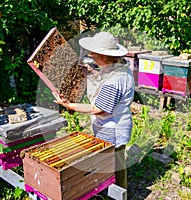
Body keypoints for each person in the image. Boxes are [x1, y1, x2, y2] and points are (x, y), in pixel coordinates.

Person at [53, 31, 134, 189]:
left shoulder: (116, 80)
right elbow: (105, 78)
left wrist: (70, 106)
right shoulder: (118, 69)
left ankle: (119, 192)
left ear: (104, 57)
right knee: (112, 162)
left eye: (94, 54)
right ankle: (111, 189)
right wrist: (91, 72)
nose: (92, 56)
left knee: (113, 165)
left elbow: (98, 109)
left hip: (112, 129)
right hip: (112, 125)